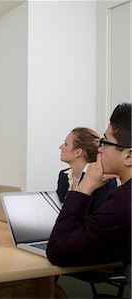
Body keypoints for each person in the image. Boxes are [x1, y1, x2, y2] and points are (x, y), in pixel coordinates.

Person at [47, 102, 131, 284]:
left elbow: (57, 251)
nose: (99, 149)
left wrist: (85, 187)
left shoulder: (122, 205)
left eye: (105, 142)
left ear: (128, 156)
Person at [57, 127, 117, 217]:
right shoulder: (63, 175)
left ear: (78, 152)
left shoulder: (103, 179)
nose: (60, 146)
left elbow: (99, 220)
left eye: (66, 144)